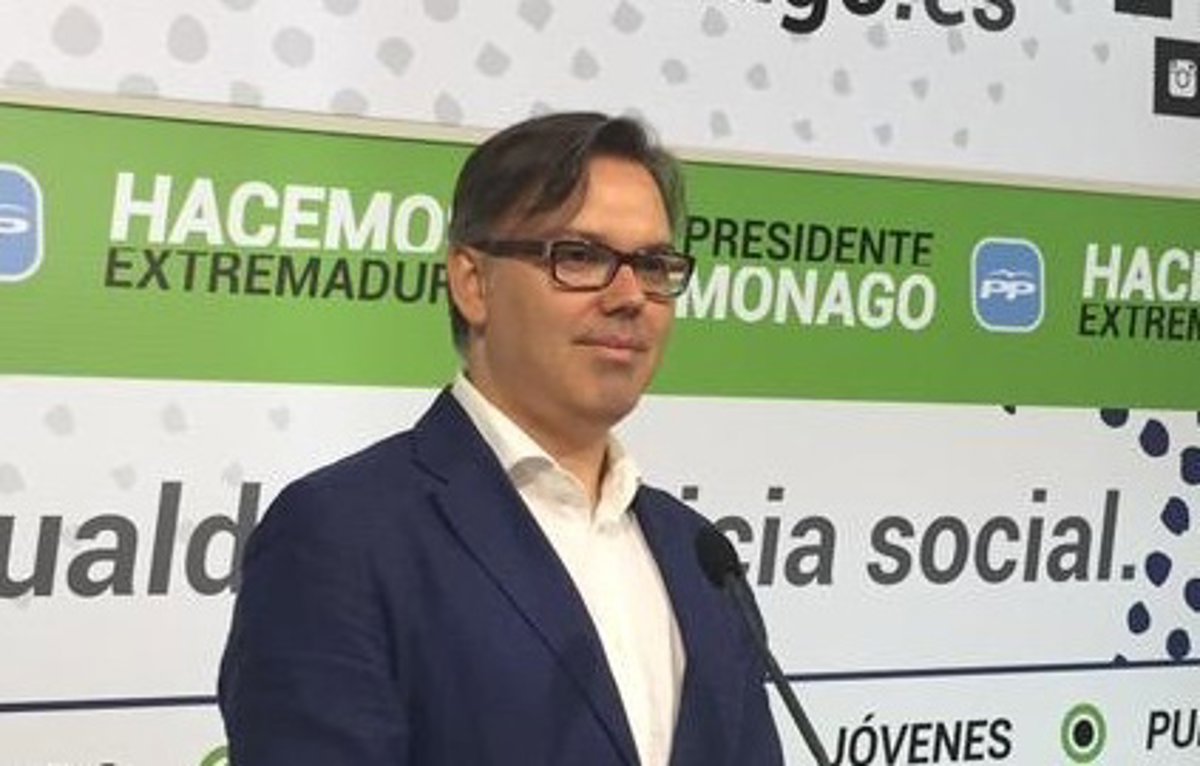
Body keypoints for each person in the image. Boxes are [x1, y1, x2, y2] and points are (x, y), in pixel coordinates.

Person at [218, 112, 784, 766]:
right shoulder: (342, 535)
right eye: (580, 256)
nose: (630, 295)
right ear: (473, 283)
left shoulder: (699, 556)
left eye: (654, 265)